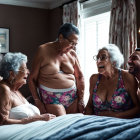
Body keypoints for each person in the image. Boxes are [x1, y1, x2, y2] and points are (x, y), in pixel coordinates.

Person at [29, 23, 85, 116]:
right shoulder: (43, 50)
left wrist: (81, 100)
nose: (73, 47)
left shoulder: (72, 54)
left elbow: (80, 77)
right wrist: (37, 101)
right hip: (52, 98)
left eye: (75, 44)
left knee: (75, 124)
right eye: (71, 42)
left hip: (72, 97)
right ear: (61, 37)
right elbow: (32, 79)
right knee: (63, 125)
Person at [85, 44, 140, 118]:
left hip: (120, 121)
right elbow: (89, 106)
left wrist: (115, 115)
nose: (98, 61)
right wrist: (86, 121)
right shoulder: (94, 79)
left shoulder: (127, 77)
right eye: (97, 58)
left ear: (113, 61)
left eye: (103, 57)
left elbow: (138, 108)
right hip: (96, 122)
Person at [0, 52, 56, 125]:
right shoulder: (4, 90)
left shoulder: (15, 90)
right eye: (24, 69)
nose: (28, 72)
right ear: (12, 73)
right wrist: (37, 119)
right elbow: (2, 122)